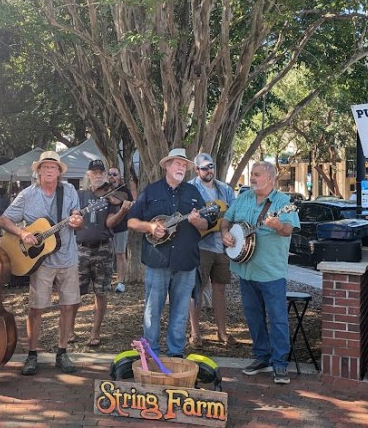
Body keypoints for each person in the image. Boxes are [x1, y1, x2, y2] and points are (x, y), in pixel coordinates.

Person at [0, 150, 84, 375]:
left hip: (68, 258)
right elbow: (3, 220)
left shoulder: (70, 190)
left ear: (58, 172)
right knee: (36, 308)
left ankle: (62, 352)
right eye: (44, 167)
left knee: (68, 306)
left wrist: (77, 221)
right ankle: (32, 354)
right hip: (40, 262)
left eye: (53, 167)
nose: (49, 171)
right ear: (38, 171)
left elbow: (77, 217)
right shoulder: (27, 195)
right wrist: (23, 233)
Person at [126, 148, 211, 357]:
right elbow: (131, 221)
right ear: (167, 166)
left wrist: (197, 220)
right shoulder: (151, 191)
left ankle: (176, 354)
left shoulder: (193, 193)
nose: (182, 168)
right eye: (178, 164)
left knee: (181, 312)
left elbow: (206, 224)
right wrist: (150, 227)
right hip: (157, 261)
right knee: (152, 311)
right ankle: (151, 353)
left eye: (184, 165)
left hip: (186, 262)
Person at [220, 161, 299, 385]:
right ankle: (261, 357)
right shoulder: (243, 198)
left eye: (256, 175)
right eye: (252, 175)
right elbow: (227, 219)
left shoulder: (284, 203)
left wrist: (277, 225)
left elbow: (288, 230)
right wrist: (225, 233)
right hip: (246, 269)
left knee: (277, 319)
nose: (252, 178)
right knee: (254, 317)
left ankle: (280, 363)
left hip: (271, 271)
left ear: (271, 179)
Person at [75, 159, 129, 347]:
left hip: (104, 248)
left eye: (101, 172)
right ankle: (70, 329)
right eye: (94, 172)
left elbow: (110, 223)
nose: (98, 175)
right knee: (76, 292)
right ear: (88, 174)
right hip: (80, 248)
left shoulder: (111, 196)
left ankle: (95, 332)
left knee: (101, 291)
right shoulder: (79, 195)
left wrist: (122, 211)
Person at [188, 152, 236, 347]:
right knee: (196, 291)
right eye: (205, 167)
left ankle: (222, 332)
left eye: (211, 167)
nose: (209, 171)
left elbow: (234, 213)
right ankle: (194, 333)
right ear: (196, 169)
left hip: (222, 247)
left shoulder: (225, 189)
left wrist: (228, 232)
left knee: (220, 290)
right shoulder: (190, 189)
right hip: (200, 246)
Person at [107, 166, 133, 293]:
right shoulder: (104, 189)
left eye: (115, 174)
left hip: (121, 227)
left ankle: (120, 282)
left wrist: (112, 197)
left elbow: (120, 202)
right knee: (106, 255)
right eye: (110, 174)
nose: (112, 176)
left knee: (120, 254)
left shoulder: (125, 191)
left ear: (119, 176)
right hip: (105, 227)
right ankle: (106, 280)